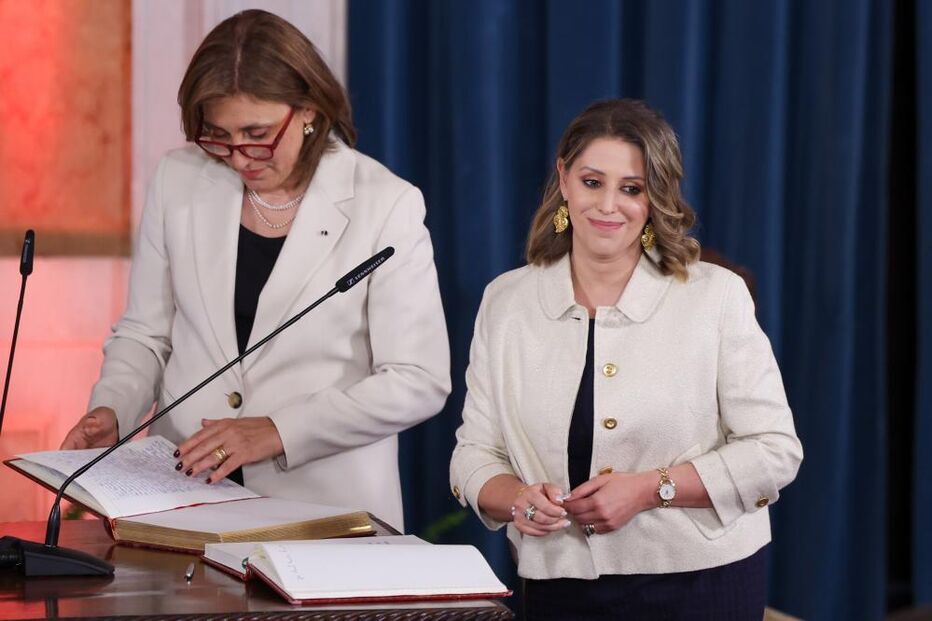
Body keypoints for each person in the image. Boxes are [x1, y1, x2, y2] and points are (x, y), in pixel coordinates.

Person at [61, 9, 450, 531]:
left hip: (326, 516)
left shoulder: (385, 204)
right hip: (184, 502)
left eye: (257, 133)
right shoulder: (179, 179)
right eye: (218, 135)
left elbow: (418, 380)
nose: (240, 157)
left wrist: (275, 430)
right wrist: (111, 410)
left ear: (309, 110)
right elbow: (146, 334)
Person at [449, 99, 802, 619]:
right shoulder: (506, 301)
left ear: (654, 196)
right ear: (564, 178)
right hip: (558, 587)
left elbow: (775, 452)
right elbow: (473, 453)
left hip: (700, 586)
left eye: (631, 189)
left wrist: (648, 490)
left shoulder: (716, 296)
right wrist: (518, 498)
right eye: (593, 182)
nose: (609, 205)